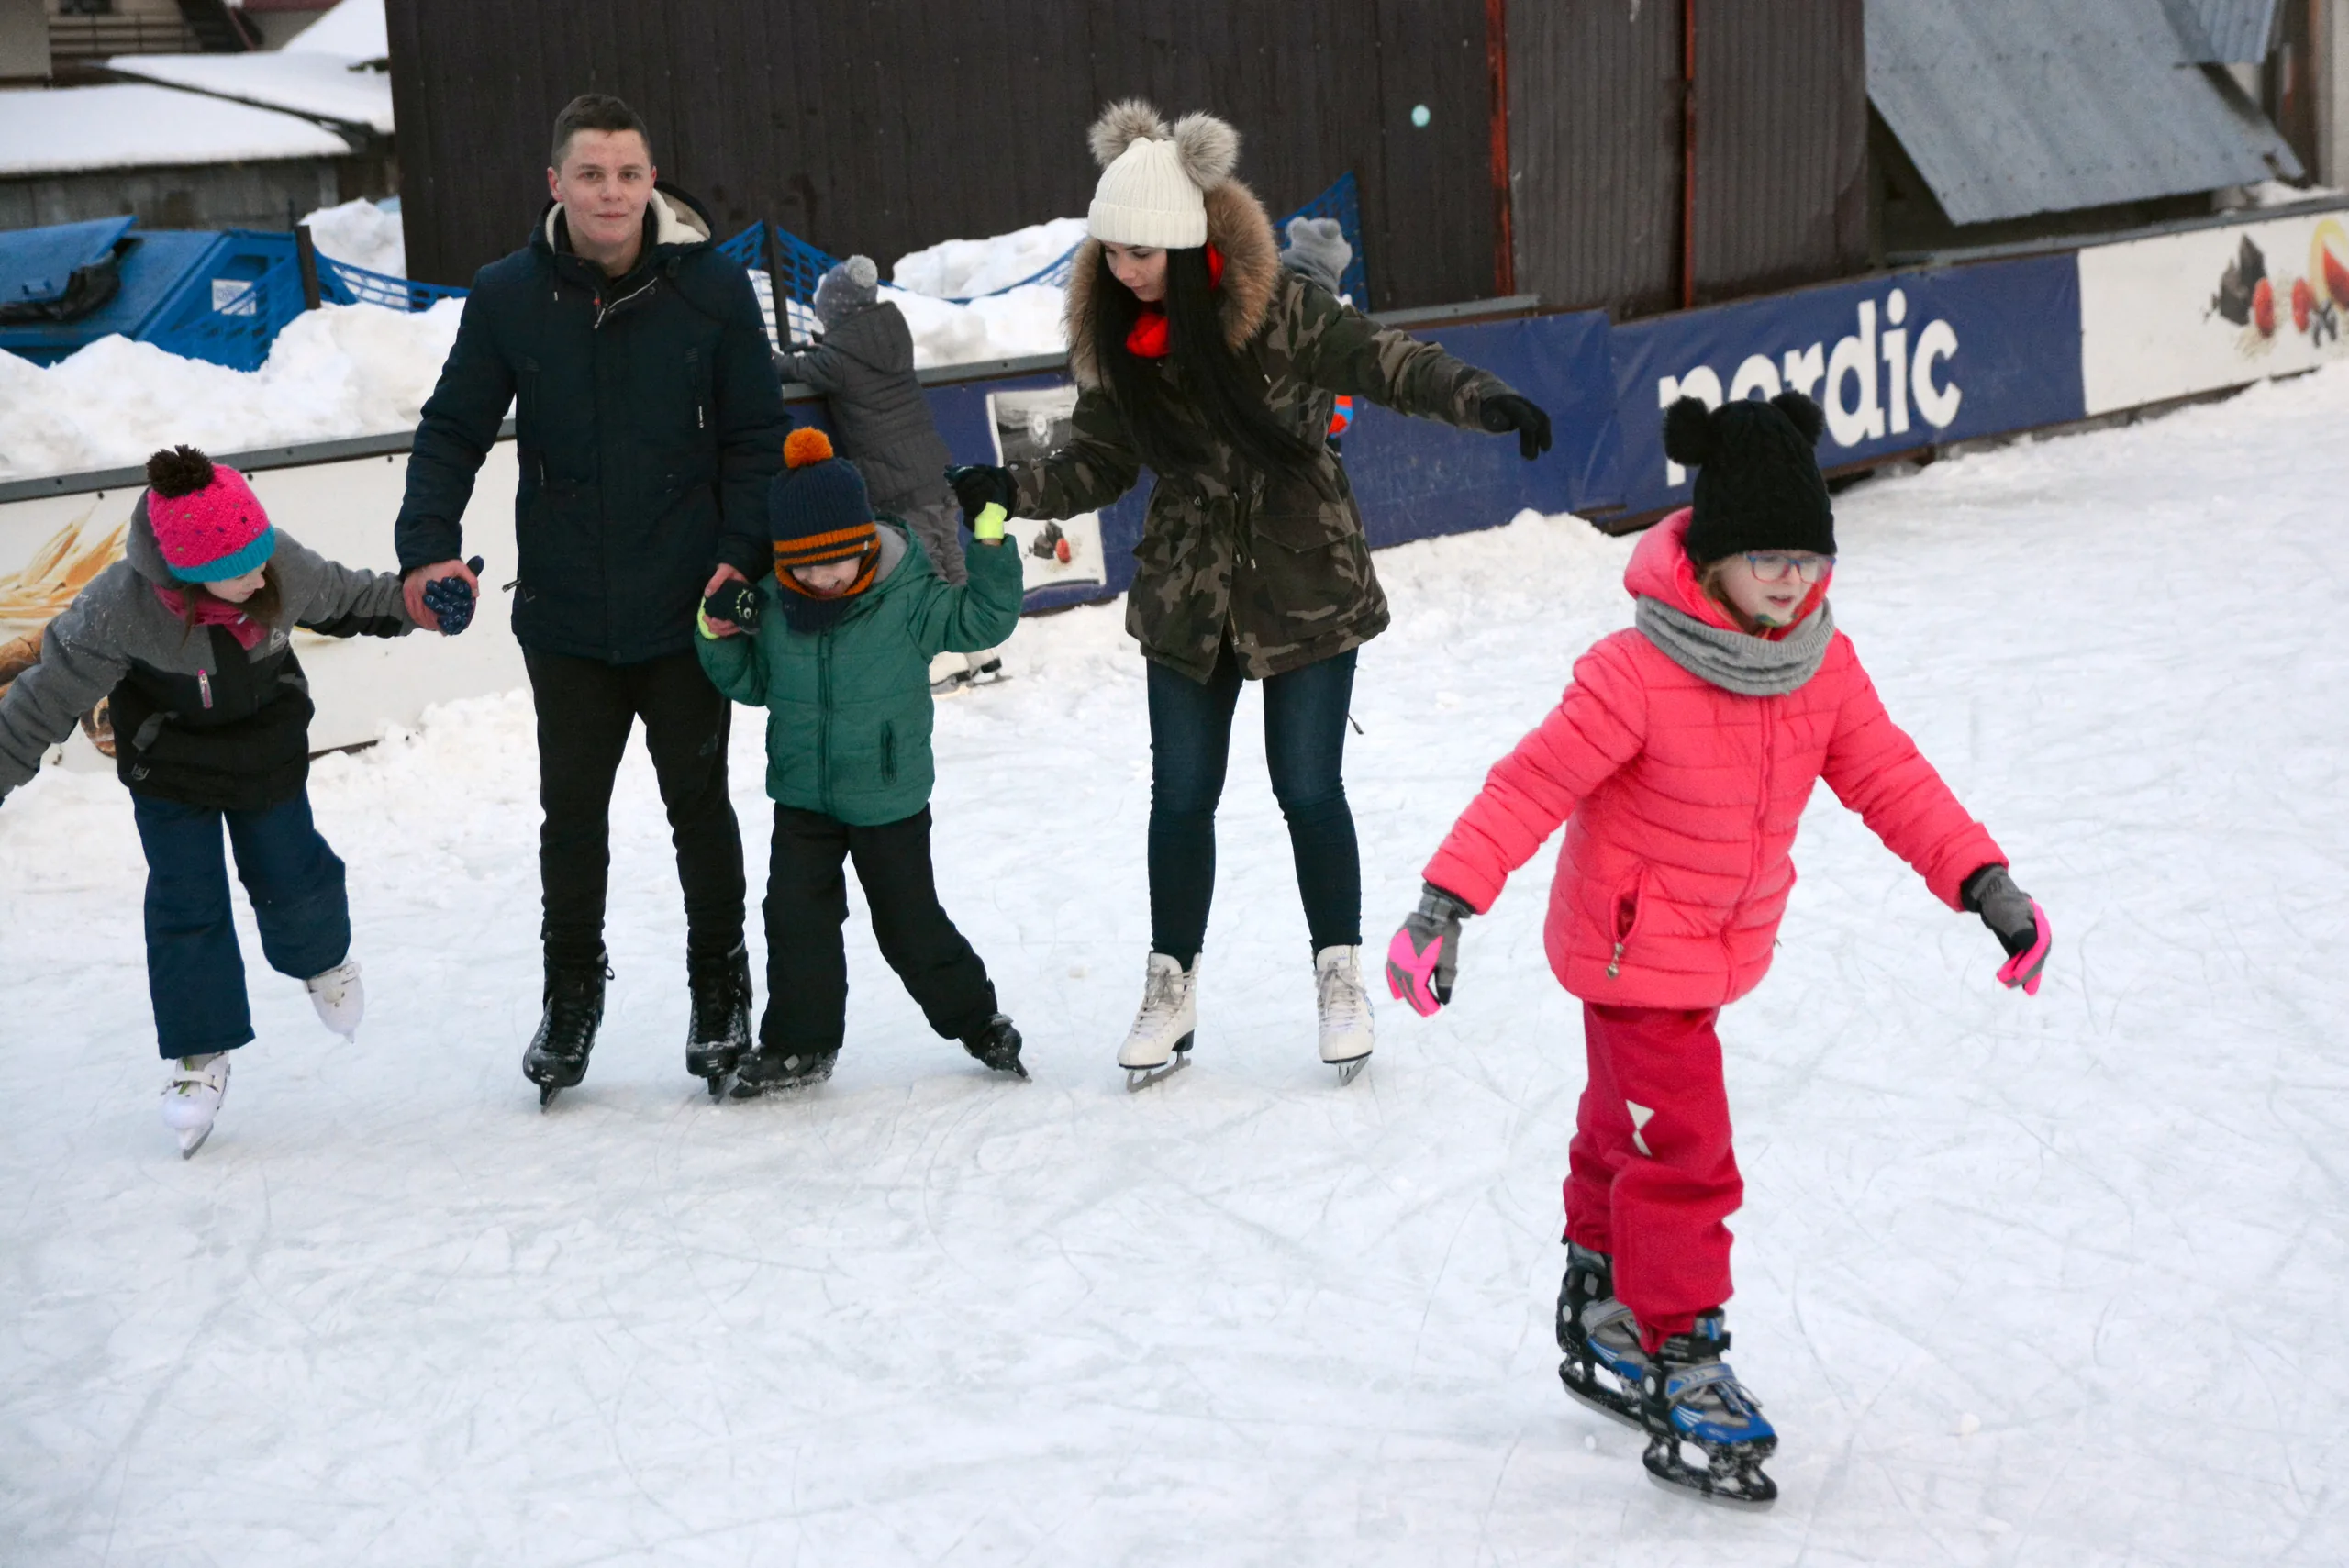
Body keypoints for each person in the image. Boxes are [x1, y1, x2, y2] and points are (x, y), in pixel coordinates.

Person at [1384, 392, 2051, 1507]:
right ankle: (1682, 1348)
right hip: (1630, 955)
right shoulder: (1635, 670)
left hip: (1712, 948)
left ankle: (1599, 1296)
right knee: (1686, 1152)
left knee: (1624, 1128)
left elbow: (1893, 779)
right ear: (1708, 551)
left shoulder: (1818, 667)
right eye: (1764, 557)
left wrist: (1982, 880)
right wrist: (1443, 903)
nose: (1790, 580)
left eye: (1806, 556)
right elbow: (1532, 782)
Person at [944, 101, 1555, 1090]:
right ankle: (1171, 984)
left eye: (1140, 251)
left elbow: (1385, 362)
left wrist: (1483, 397)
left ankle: (1339, 977)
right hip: (1188, 593)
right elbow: (1098, 461)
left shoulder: (1281, 312)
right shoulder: (1116, 326)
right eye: (1110, 249)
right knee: (1180, 795)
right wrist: (1011, 488)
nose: (1121, 268)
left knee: (1307, 787)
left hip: (1304, 578)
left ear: (1187, 246)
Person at [393, 93, 788, 1106]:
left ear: (651, 181)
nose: (610, 192)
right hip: (565, 611)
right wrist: (425, 546)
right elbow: (451, 431)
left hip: (686, 601)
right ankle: (570, 994)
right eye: (590, 174)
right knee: (571, 815)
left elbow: (754, 439)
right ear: (555, 184)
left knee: (697, 803)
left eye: (627, 173)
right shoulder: (509, 296)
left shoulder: (712, 293)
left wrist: (741, 556)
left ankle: (720, 989)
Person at [0, 447, 429, 1157]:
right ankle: (200, 1055)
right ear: (189, 569)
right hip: (170, 770)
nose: (260, 576)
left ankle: (323, 959)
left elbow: (355, 597)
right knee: (185, 902)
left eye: (262, 557)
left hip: (263, 754)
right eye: (241, 570)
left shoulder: (276, 567)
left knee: (291, 872)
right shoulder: (120, 607)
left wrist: (419, 601)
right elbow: (44, 698)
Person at [694, 428, 1025, 1095]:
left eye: (835, 564)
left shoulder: (908, 596)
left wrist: (987, 536)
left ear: (865, 543)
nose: (821, 580)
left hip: (887, 797)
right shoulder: (779, 603)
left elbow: (983, 618)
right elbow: (755, 684)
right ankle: (798, 1044)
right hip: (803, 796)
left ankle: (978, 1019)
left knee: (908, 924)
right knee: (794, 919)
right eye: (805, 569)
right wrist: (717, 633)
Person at [773, 256, 1004, 692]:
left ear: (835, 313)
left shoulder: (837, 360)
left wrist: (771, 356)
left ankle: (944, 660)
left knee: (919, 569)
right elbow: (838, 361)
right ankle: (982, 650)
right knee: (950, 557)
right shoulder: (891, 335)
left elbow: (792, 370)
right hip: (934, 468)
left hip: (893, 478)